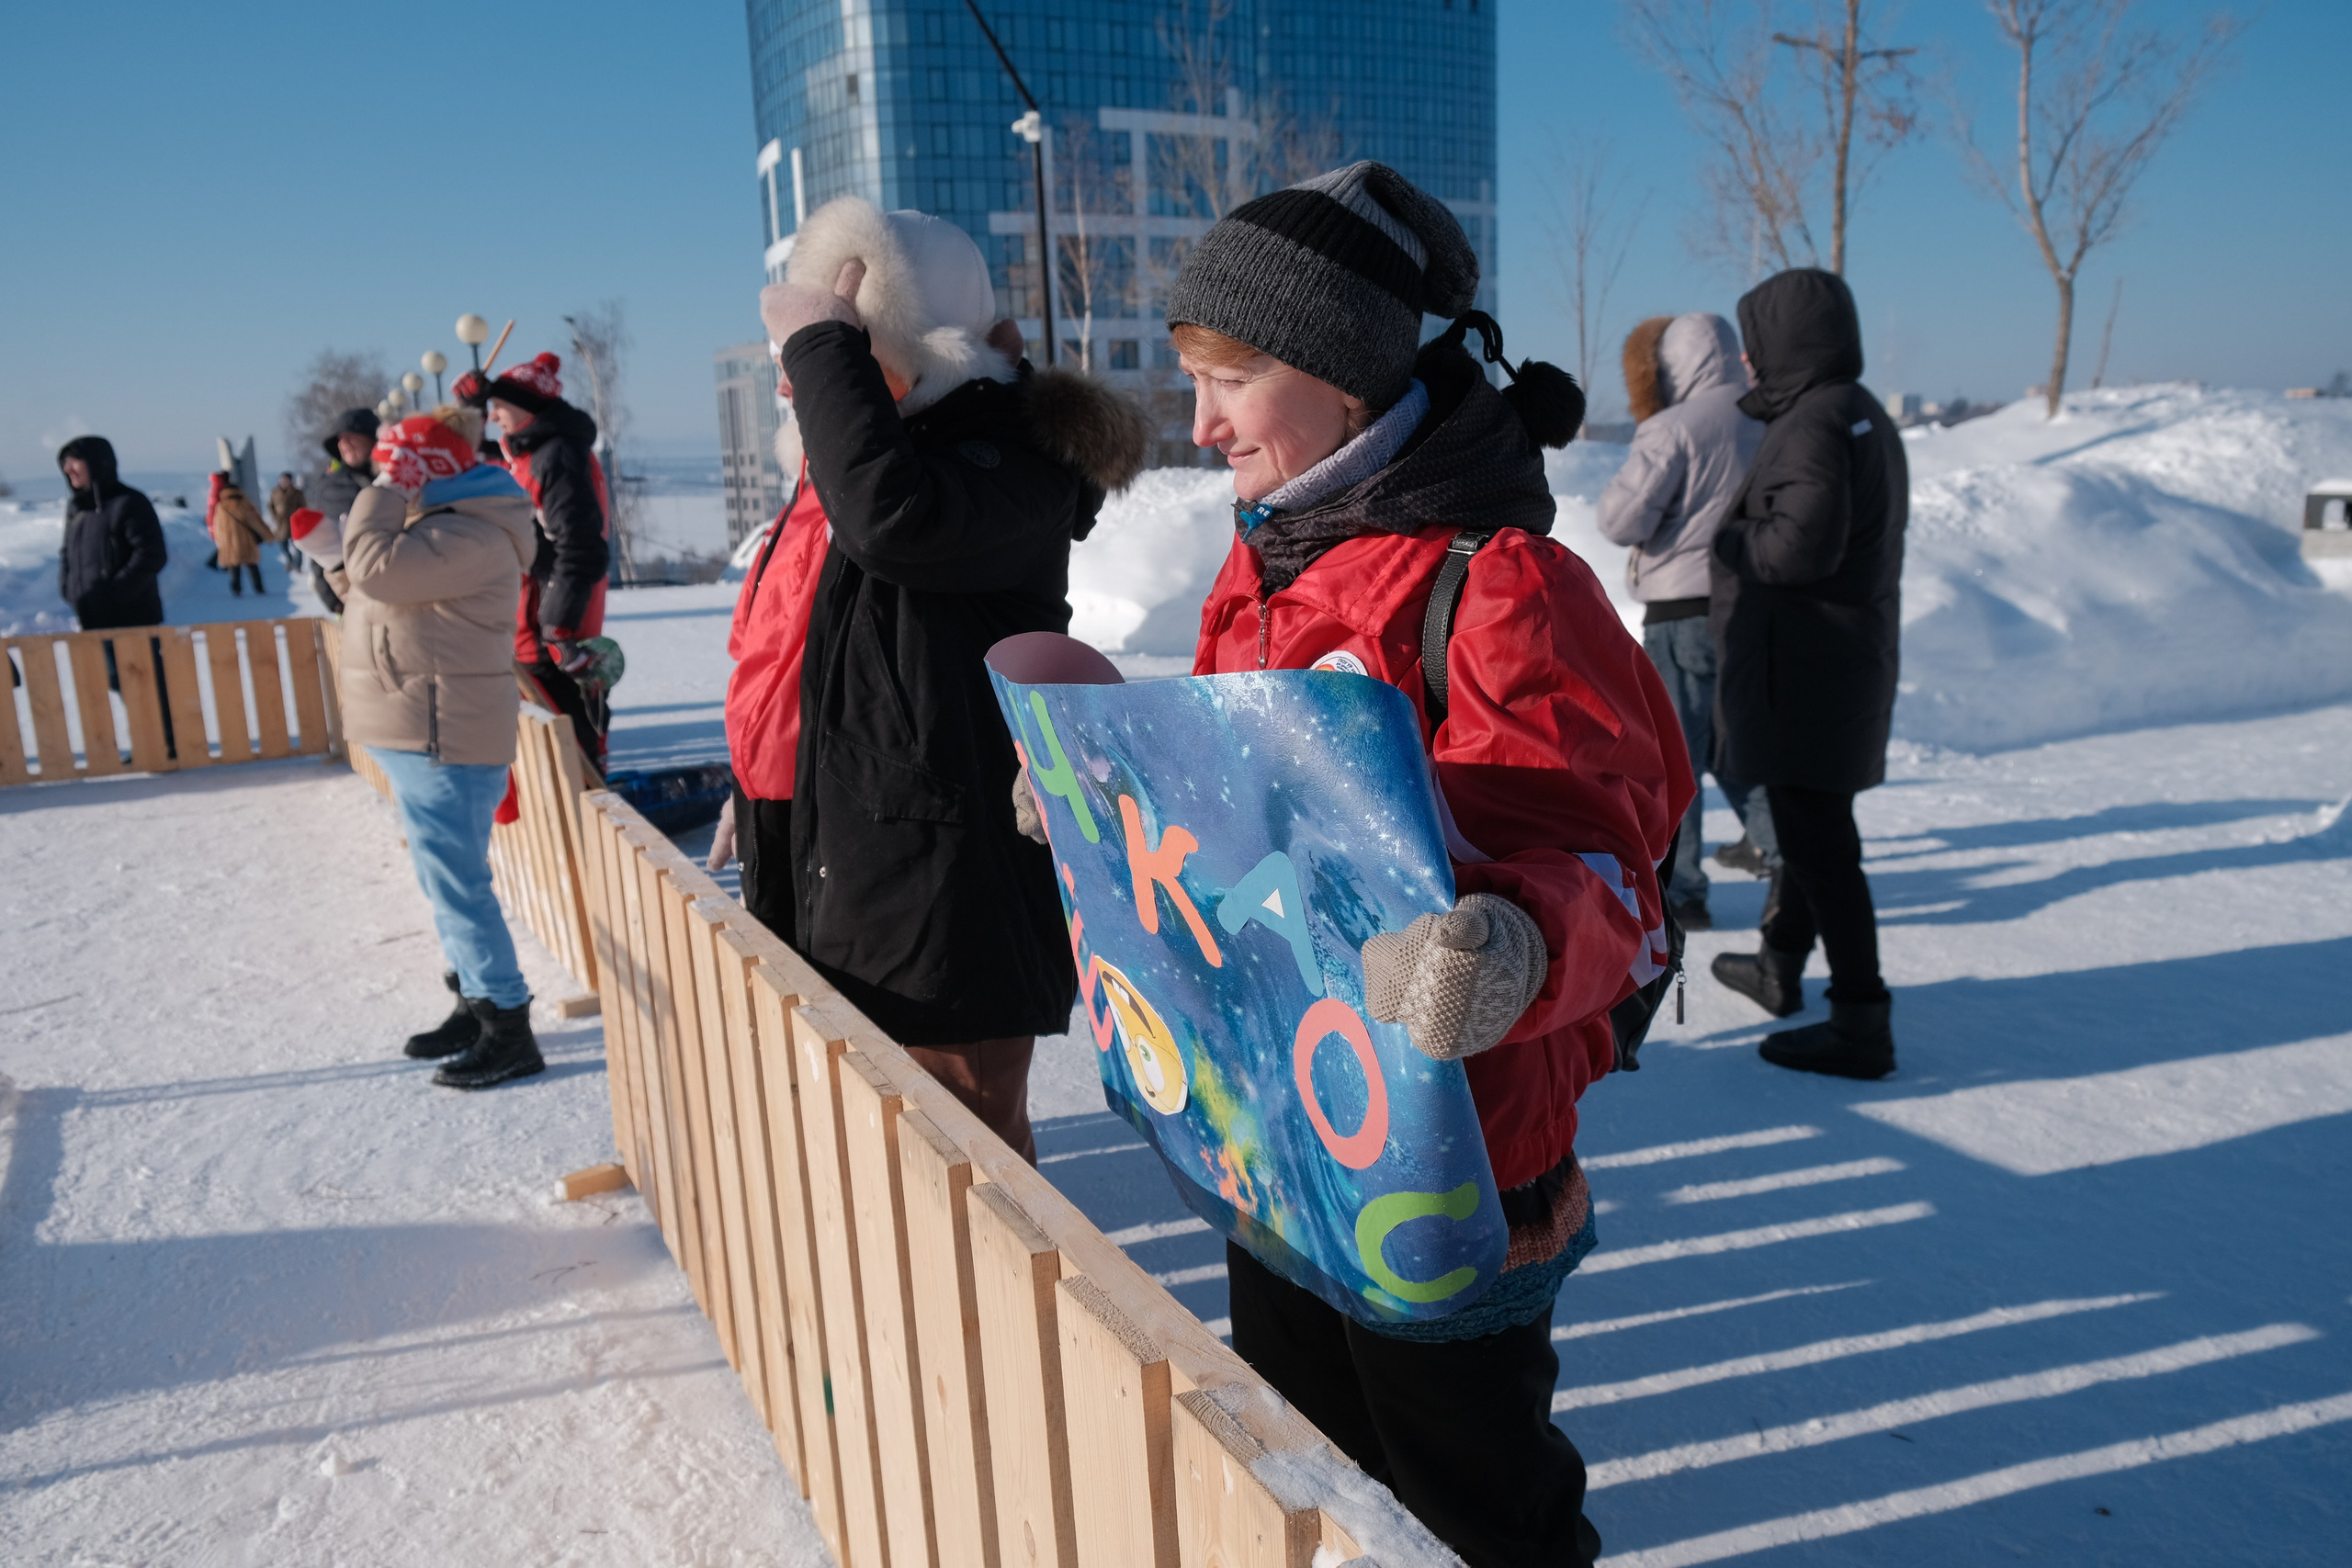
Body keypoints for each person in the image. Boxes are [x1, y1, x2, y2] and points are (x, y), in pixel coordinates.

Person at [1151, 161, 1690, 1568]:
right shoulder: (1264, 564)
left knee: (1472, 1505)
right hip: (1286, 1120)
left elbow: (1613, 871)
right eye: (1194, 379)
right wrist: (1110, 802)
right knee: (1307, 1469)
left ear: (1345, 375)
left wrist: (1515, 941)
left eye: (1233, 378)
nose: (1201, 424)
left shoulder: (1498, 585)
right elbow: (1234, 809)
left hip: (1454, 1157)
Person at [752, 195, 1147, 1162]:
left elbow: (891, 520)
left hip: (954, 898)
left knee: (966, 1154)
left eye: (850, 351)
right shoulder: (934, 452)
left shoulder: (1006, 464)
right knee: (908, 1153)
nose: (799, 383)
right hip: (891, 882)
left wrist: (825, 348)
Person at [291, 408, 547, 1089]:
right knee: (443, 882)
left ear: (425, 470)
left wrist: (379, 498)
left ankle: (508, 1026)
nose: (384, 476)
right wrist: (333, 559)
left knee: (458, 885)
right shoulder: (439, 526)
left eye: (394, 465)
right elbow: (375, 599)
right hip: (420, 727)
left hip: (444, 732)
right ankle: (474, 998)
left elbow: (380, 575)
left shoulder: (473, 535)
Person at [1707, 267, 1906, 1079]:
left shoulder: (1815, 422)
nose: (1747, 359)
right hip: (1833, 664)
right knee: (1808, 831)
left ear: (1788, 343)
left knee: (1822, 848)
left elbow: (1797, 548)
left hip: (1807, 673)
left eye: (1756, 342)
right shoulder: (1856, 410)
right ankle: (1778, 964)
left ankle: (1861, 1020)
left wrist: (1726, 539)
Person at [1596, 313, 1769, 931]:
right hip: (1754, 606)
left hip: (1682, 611)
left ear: (1671, 366)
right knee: (1737, 744)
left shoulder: (1675, 427)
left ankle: (1685, 890)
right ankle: (1787, 856)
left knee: (1676, 761)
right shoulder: (1768, 417)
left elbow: (1620, 520)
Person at [453, 353, 613, 768]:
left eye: (498, 406)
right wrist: (468, 409)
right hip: (532, 622)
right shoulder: (529, 453)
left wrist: (557, 625)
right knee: (544, 743)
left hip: (554, 631)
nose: (492, 417)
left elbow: (581, 548)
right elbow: (467, 455)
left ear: (526, 407)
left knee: (566, 740)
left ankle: (586, 796)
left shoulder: (557, 456)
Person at [58, 436, 167, 629]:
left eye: (74, 461)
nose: (68, 469)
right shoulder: (77, 508)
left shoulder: (129, 502)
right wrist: (69, 590)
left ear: (96, 462)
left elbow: (151, 554)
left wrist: (113, 593)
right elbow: (67, 553)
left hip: (134, 622)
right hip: (90, 619)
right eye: (65, 463)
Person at [305, 409, 380, 616]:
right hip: (349, 590)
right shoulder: (328, 487)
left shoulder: (394, 481)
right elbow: (318, 543)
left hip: (392, 580)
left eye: (352, 437)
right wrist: (330, 599)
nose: (345, 443)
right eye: (341, 438)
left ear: (373, 440)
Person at [208, 469, 272, 597]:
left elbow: (218, 526)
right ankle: (259, 588)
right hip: (246, 541)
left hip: (229, 542)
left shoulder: (221, 506)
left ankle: (236, 589)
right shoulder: (244, 504)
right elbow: (256, 522)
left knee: (234, 567)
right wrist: (268, 535)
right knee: (252, 566)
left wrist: (219, 540)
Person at [267, 470, 306, 571]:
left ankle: (298, 566)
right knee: (283, 545)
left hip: (294, 523)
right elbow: (270, 506)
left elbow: (303, 507)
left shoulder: (297, 493)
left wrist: (299, 518)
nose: (284, 482)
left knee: (298, 546)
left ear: (290, 481)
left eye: (286, 480)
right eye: (282, 480)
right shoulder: (275, 492)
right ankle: (290, 560)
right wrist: (275, 517)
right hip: (281, 523)